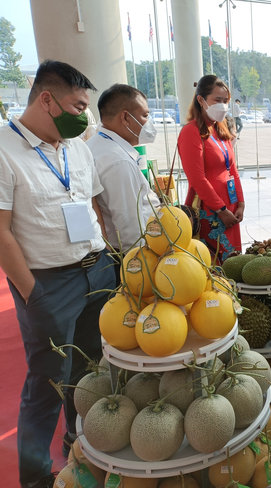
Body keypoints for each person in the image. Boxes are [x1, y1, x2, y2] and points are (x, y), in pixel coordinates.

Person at [0, 60, 116, 488]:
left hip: (97, 272)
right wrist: (34, 294)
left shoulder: (77, 147)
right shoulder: (4, 150)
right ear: (46, 100)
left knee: (90, 370)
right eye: (77, 104)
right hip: (49, 283)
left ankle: (78, 443)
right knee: (49, 381)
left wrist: (109, 262)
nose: (84, 115)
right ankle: (33, 478)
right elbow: (1, 232)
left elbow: (93, 208)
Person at [86, 84, 160, 267]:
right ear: (126, 117)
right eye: (145, 115)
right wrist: (146, 263)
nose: (148, 123)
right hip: (132, 257)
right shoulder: (117, 160)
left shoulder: (97, 145)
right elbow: (129, 227)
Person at [178, 75, 244, 265]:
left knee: (233, 263)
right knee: (214, 265)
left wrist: (240, 203)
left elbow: (233, 170)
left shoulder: (220, 129)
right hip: (210, 210)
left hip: (230, 206)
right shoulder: (191, 131)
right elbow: (197, 179)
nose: (223, 105)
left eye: (226, 101)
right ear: (201, 100)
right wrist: (221, 210)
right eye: (218, 100)